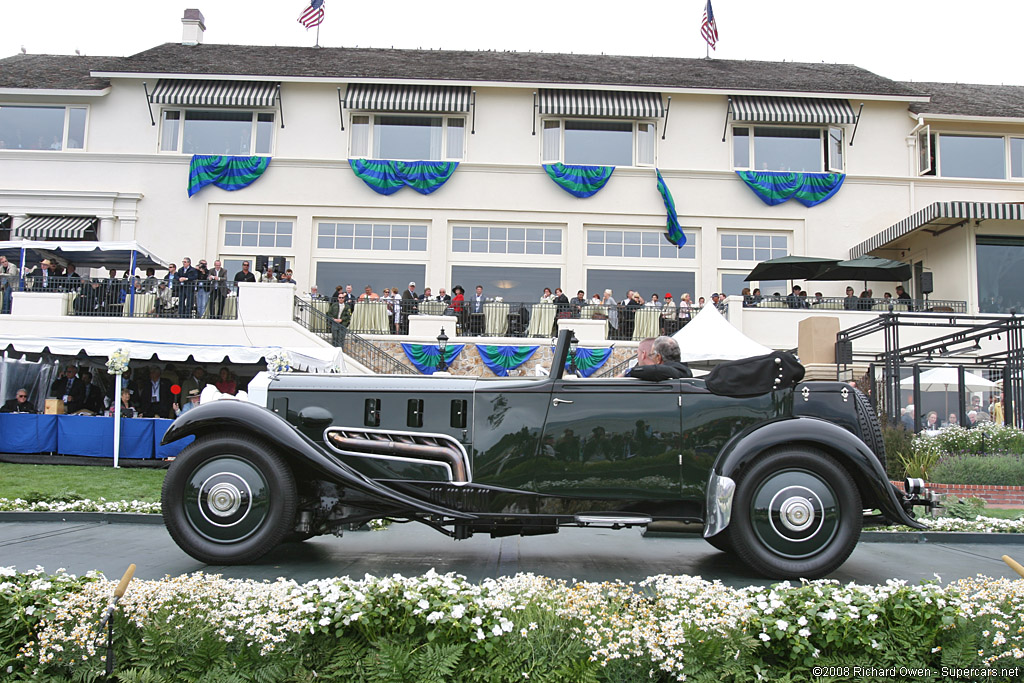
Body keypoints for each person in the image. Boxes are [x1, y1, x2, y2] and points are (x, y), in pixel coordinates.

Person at [625, 336, 693, 380]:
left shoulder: (667, 372)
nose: (651, 358)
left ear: (658, 357)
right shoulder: (685, 371)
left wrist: (628, 372)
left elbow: (656, 370)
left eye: (651, 355)